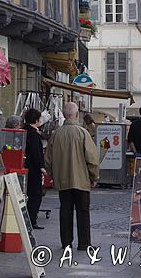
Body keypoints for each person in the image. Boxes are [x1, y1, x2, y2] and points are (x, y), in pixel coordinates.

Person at [45, 102, 99, 250]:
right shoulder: (83, 133)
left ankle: (66, 242)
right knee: (83, 211)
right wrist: (94, 177)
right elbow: (92, 159)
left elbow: (48, 159)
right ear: (76, 115)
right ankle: (84, 243)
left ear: (64, 115)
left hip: (63, 180)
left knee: (65, 211)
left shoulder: (56, 134)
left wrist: (52, 173)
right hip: (81, 180)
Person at [24, 108, 46, 230]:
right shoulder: (34, 135)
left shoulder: (23, 131)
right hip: (33, 169)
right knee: (35, 195)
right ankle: (32, 219)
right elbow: (36, 153)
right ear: (36, 120)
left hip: (25, 166)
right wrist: (41, 166)